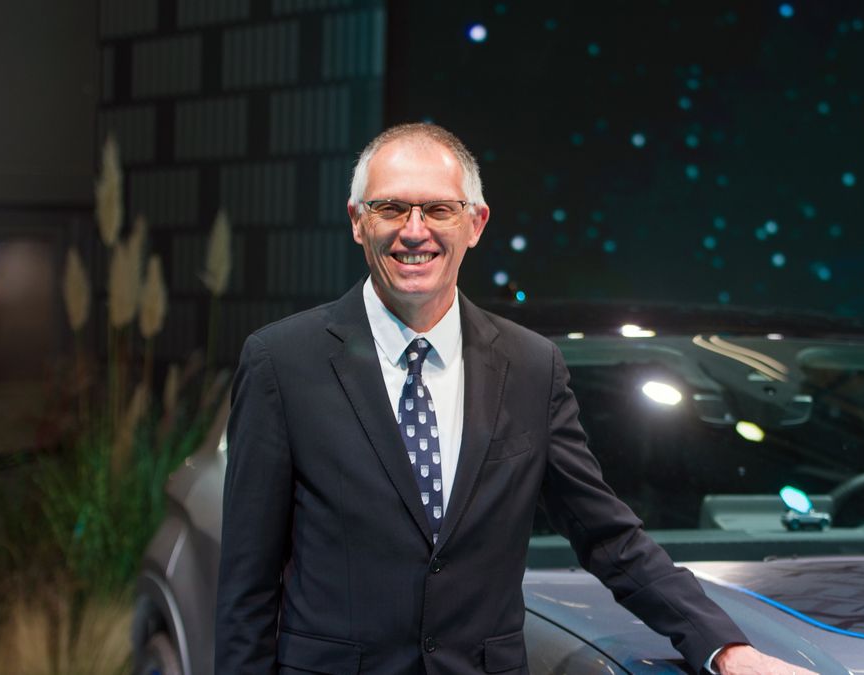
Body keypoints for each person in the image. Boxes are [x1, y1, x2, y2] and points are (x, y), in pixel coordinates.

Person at [216, 123, 815, 674]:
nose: (414, 230)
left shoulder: (532, 366)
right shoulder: (281, 361)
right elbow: (248, 584)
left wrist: (725, 648)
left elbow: (608, 537)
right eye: (391, 207)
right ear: (357, 221)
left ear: (475, 224)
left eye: (439, 210)